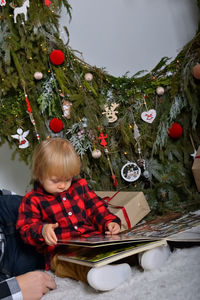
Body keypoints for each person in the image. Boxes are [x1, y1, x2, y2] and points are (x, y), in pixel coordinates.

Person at [16, 138, 132, 292]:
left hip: (93, 241)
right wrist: (42, 231)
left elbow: (96, 207)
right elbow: (25, 228)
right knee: (67, 265)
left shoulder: (80, 187)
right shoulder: (33, 200)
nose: (63, 185)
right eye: (56, 180)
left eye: (68, 179)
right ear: (39, 173)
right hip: (62, 251)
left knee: (119, 248)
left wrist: (109, 222)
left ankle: (140, 258)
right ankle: (99, 275)